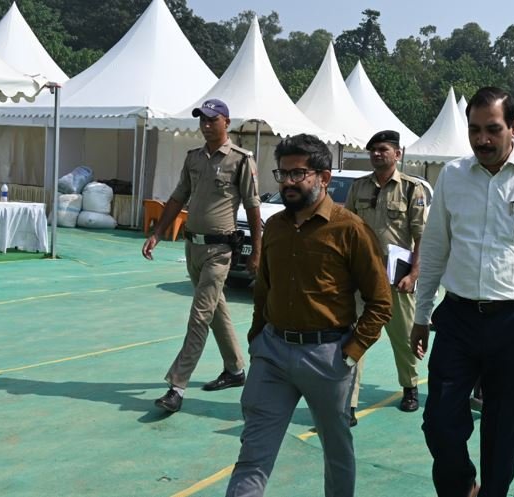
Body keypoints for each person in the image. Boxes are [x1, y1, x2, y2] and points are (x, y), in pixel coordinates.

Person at [410, 87, 514, 497]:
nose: (482, 139)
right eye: (474, 130)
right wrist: (421, 314)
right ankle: (463, 485)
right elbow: (434, 249)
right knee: (439, 422)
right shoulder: (453, 176)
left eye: (492, 129)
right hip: (458, 318)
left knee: (504, 427)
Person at [225, 134, 392, 497]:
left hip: (328, 356)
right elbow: (263, 289)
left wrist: (351, 352)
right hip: (272, 354)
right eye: (282, 173)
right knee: (253, 452)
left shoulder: (350, 229)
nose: (287, 181)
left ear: (324, 177)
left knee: (336, 450)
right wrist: (257, 337)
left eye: (298, 173)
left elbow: (380, 301)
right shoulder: (275, 227)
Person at [142, 98, 262, 413]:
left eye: (212, 120)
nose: (206, 125)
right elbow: (178, 196)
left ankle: (177, 386)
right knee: (215, 310)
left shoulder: (241, 160)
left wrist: (257, 251)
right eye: (202, 120)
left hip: (219, 251)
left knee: (199, 316)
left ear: (227, 122)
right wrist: (157, 233)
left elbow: (253, 207)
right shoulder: (193, 158)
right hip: (192, 247)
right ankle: (235, 370)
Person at [344, 130, 430, 418]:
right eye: (373, 150)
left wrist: (414, 275)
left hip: (397, 278)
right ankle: (349, 402)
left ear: (398, 154)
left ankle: (410, 386)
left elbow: (421, 236)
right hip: (362, 276)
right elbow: (346, 228)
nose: (377, 154)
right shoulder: (358, 187)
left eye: (383, 149)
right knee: (355, 337)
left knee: (404, 338)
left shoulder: (411, 189)